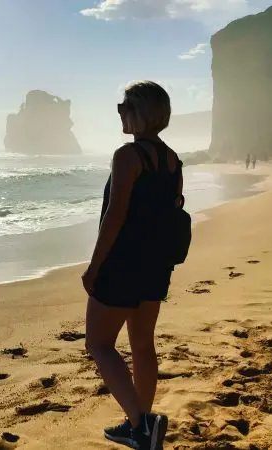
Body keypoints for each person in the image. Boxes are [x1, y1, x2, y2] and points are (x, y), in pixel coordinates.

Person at [82, 81, 182, 450]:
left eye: (124, 105)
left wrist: (94, 267)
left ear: (142, 111)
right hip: (155, 265)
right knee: (142, 344)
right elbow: (174, 210)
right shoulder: (172, 160)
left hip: (122, 263)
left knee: (99, 343)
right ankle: (140, 423)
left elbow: (115, 215)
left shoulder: (128, 156)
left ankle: (141, 425)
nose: (119, 112)